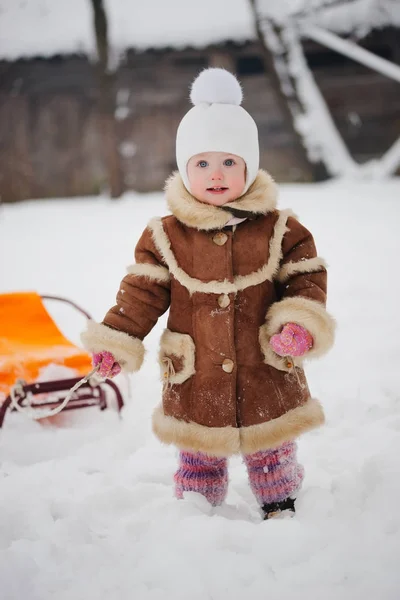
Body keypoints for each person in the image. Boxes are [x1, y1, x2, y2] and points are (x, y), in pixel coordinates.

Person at [81, 68, 335, 520]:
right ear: (184, 168)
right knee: (199, 450)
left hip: (264, 364)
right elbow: (140, 294)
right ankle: (197, 512)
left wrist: (297, 322)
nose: (215, 174)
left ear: (249, 166)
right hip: (197, 371)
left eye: (228, 163)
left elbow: (306, 278)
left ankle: (281, 501)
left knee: (270, 444)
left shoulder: (281, 229)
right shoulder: (165, 236)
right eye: (201, 163)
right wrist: (116, 341)